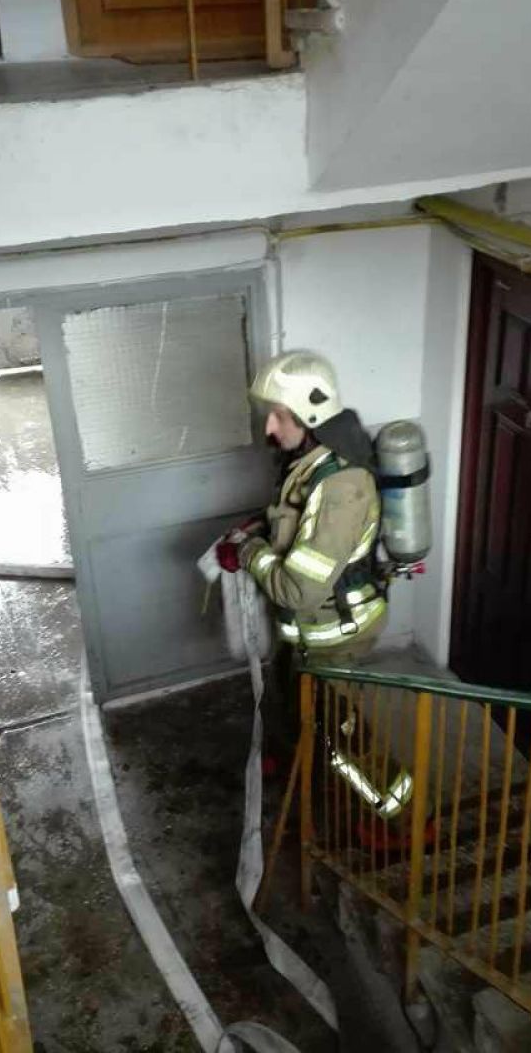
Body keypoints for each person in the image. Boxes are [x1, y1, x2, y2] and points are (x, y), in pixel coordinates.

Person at [216, 351, 414, 845]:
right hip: (305, 632)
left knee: (343, 736)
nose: (269, 427)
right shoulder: (308, 462)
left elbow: (299, 590)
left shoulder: (342, 485)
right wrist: (259, 529)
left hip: (334, 632)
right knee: (289, 699)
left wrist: (250, 552)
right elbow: (296, 528)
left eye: (278, 415)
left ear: (309, 415)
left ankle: (404, 820)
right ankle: (293, 762)